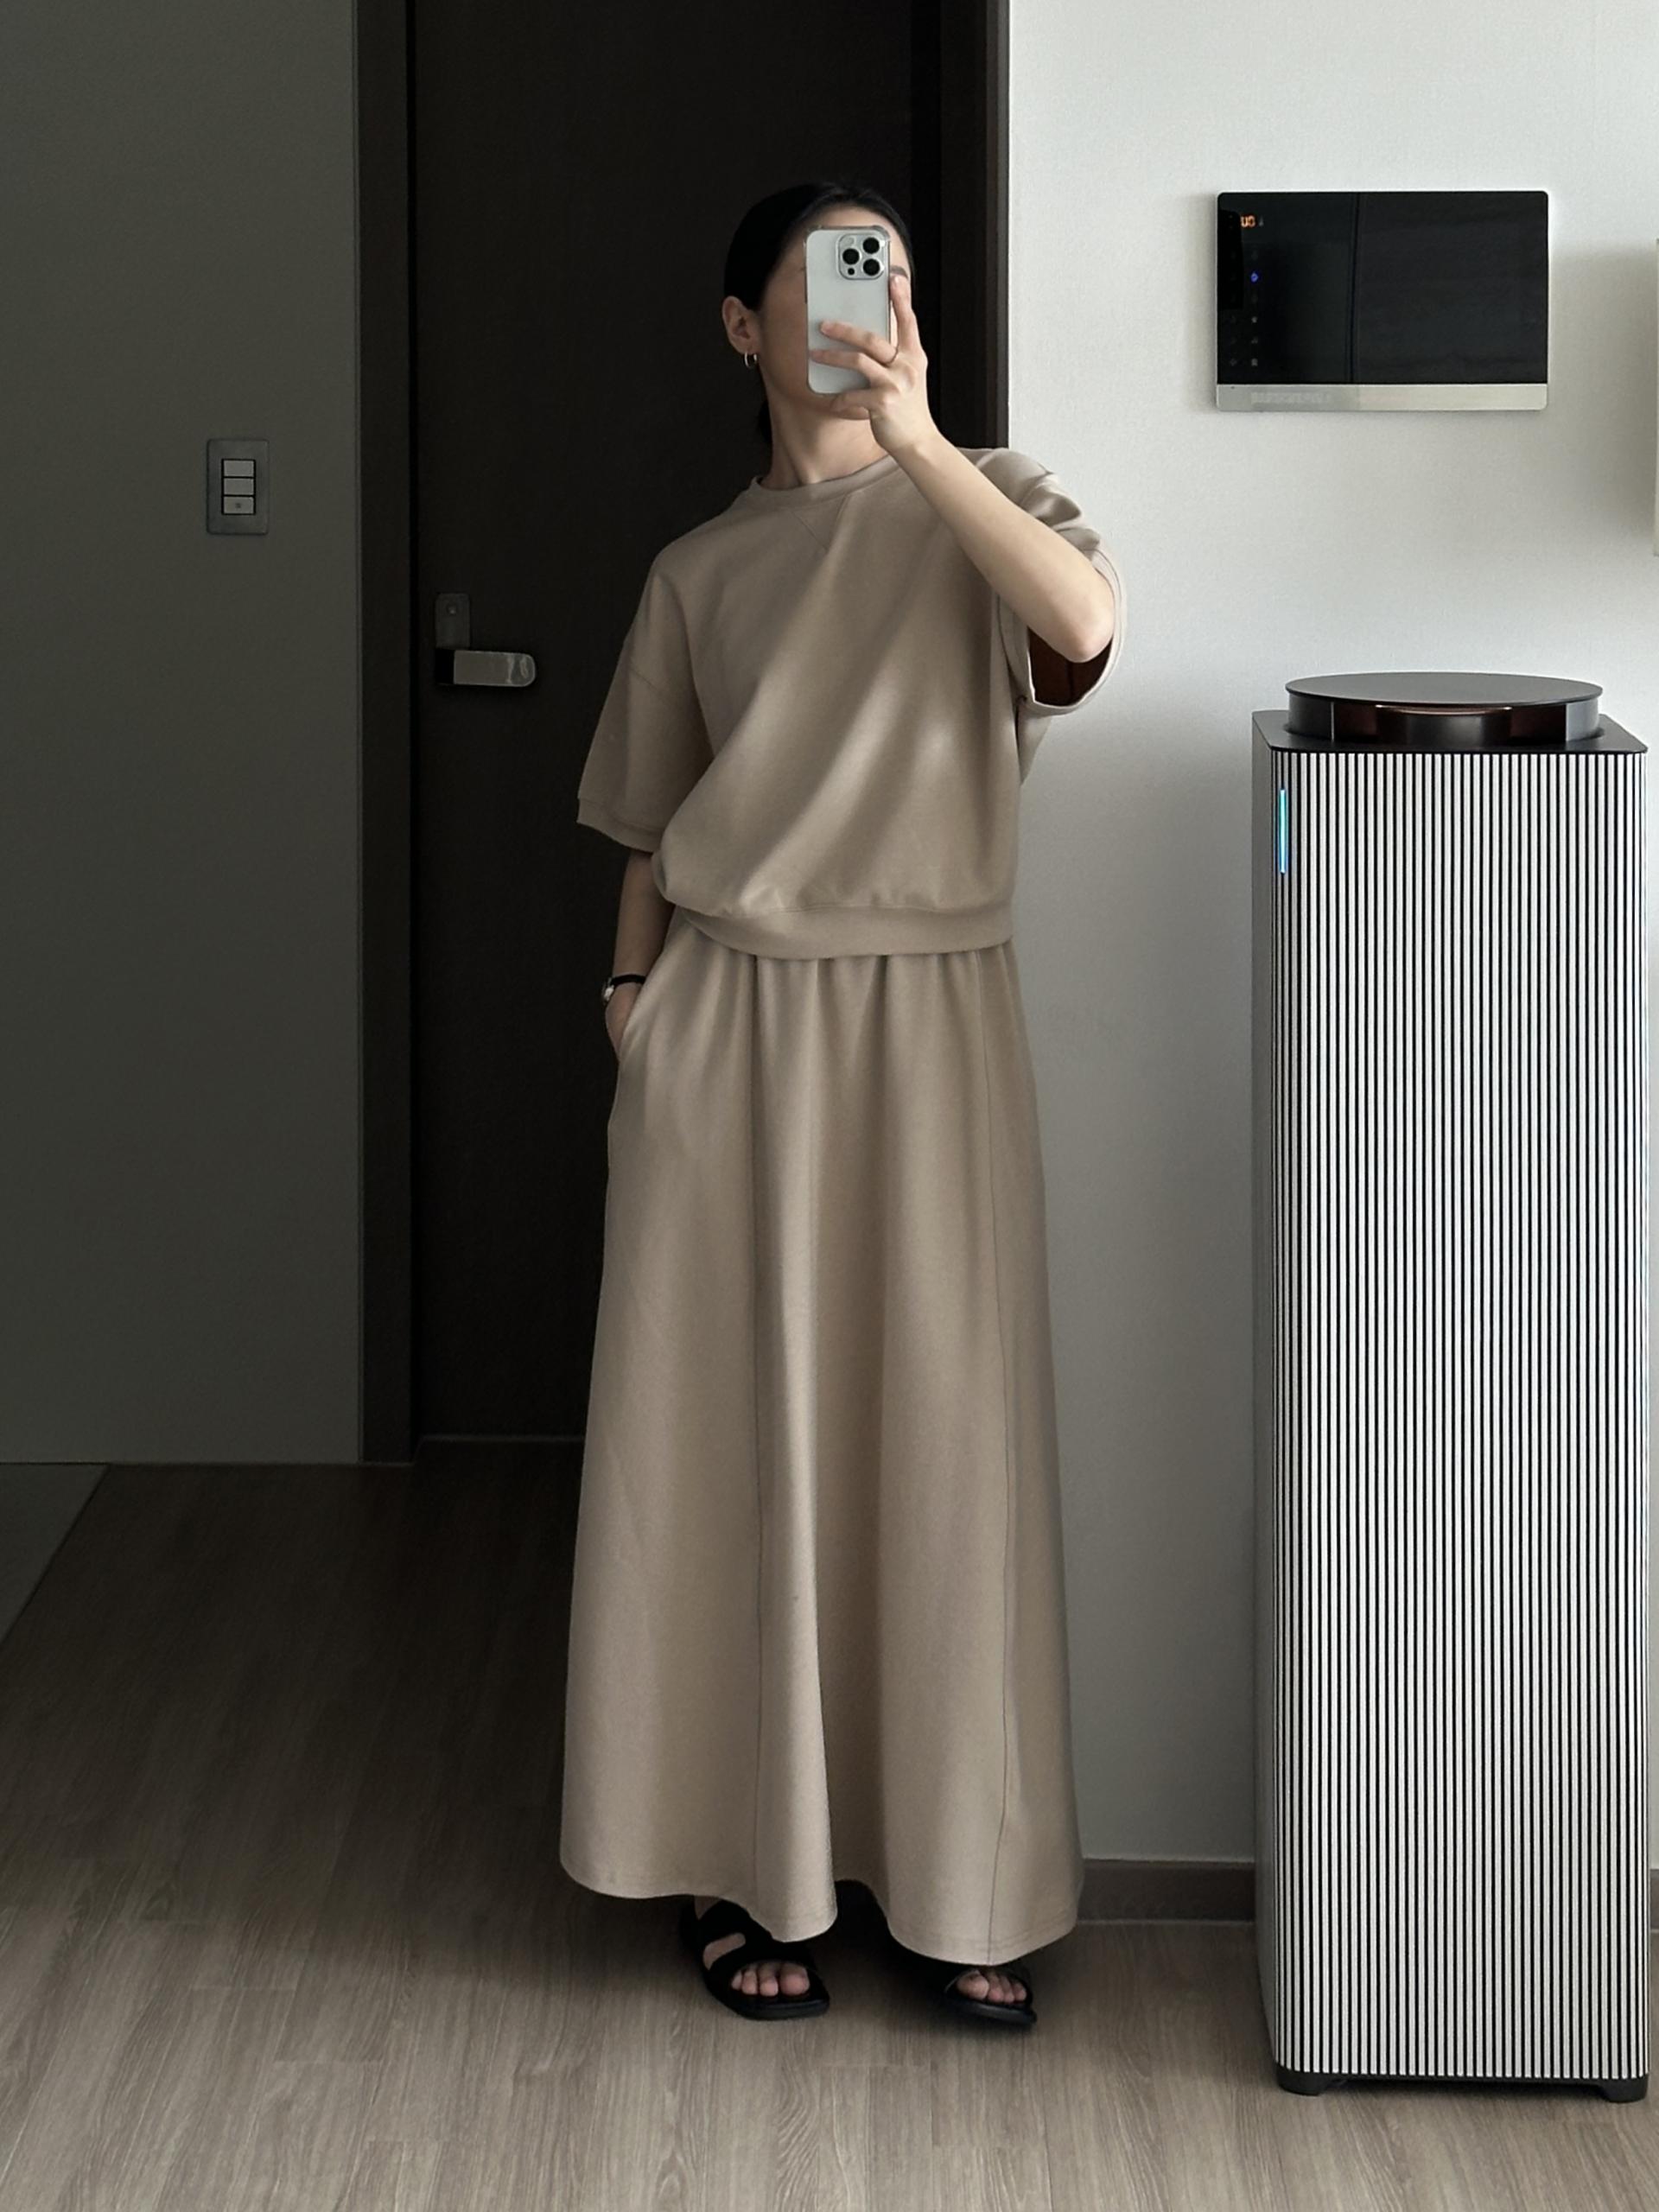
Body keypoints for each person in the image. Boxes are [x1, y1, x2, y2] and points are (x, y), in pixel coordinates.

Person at [560, 179, 1126, 2030]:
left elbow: (1085, 625)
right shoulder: (698, 570)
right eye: (819, 276)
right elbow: (649, 823)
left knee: (947, 1448)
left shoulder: (984, 499)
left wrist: (925, 441)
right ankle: (742, 1862)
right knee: (728, 1454)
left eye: (880, 273)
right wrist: (631, 1009)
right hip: (728, 1028)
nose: (853, 304)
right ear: (744, 325)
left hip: (934, 1019)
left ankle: (964, 1881)